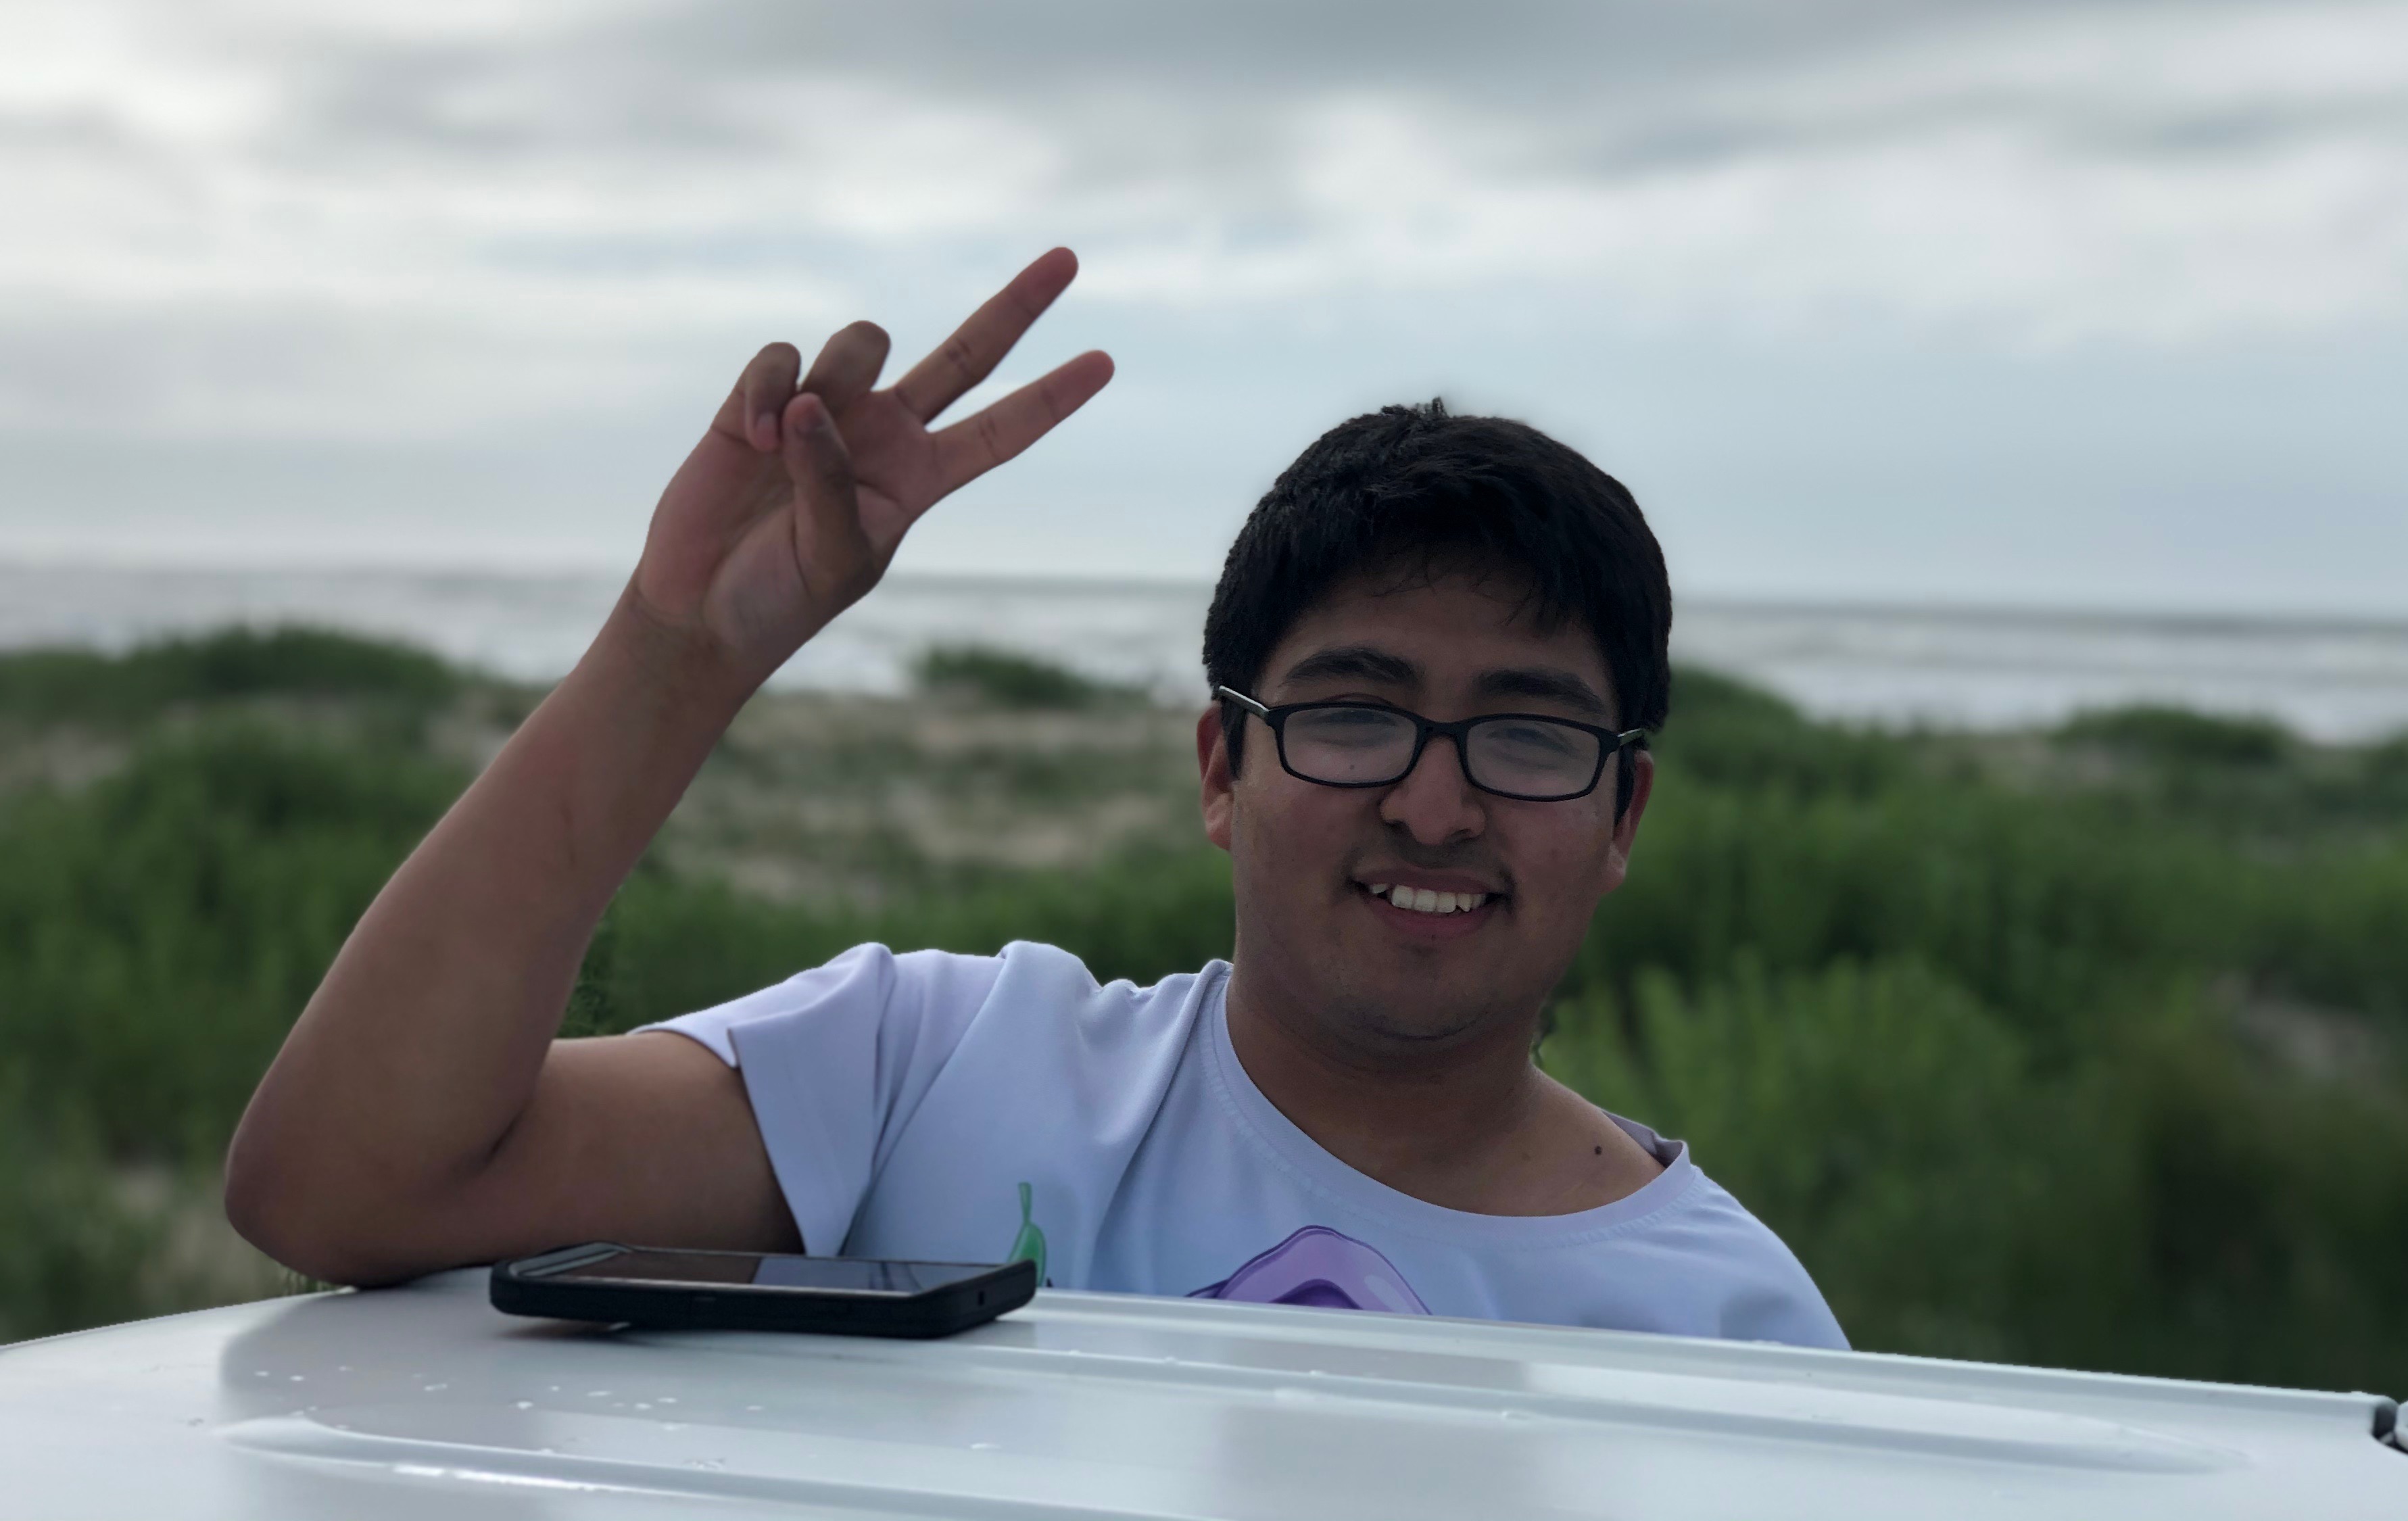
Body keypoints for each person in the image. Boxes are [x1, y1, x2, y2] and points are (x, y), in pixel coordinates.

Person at [226, 250, 1846, 1347]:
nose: (1432, 805)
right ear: (1222, 769)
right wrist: (677, 650)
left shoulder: (1727, 1326)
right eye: (1355, 715)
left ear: (1623, 818)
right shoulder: (936, 1071)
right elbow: (347, 1187)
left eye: (1528, 734)